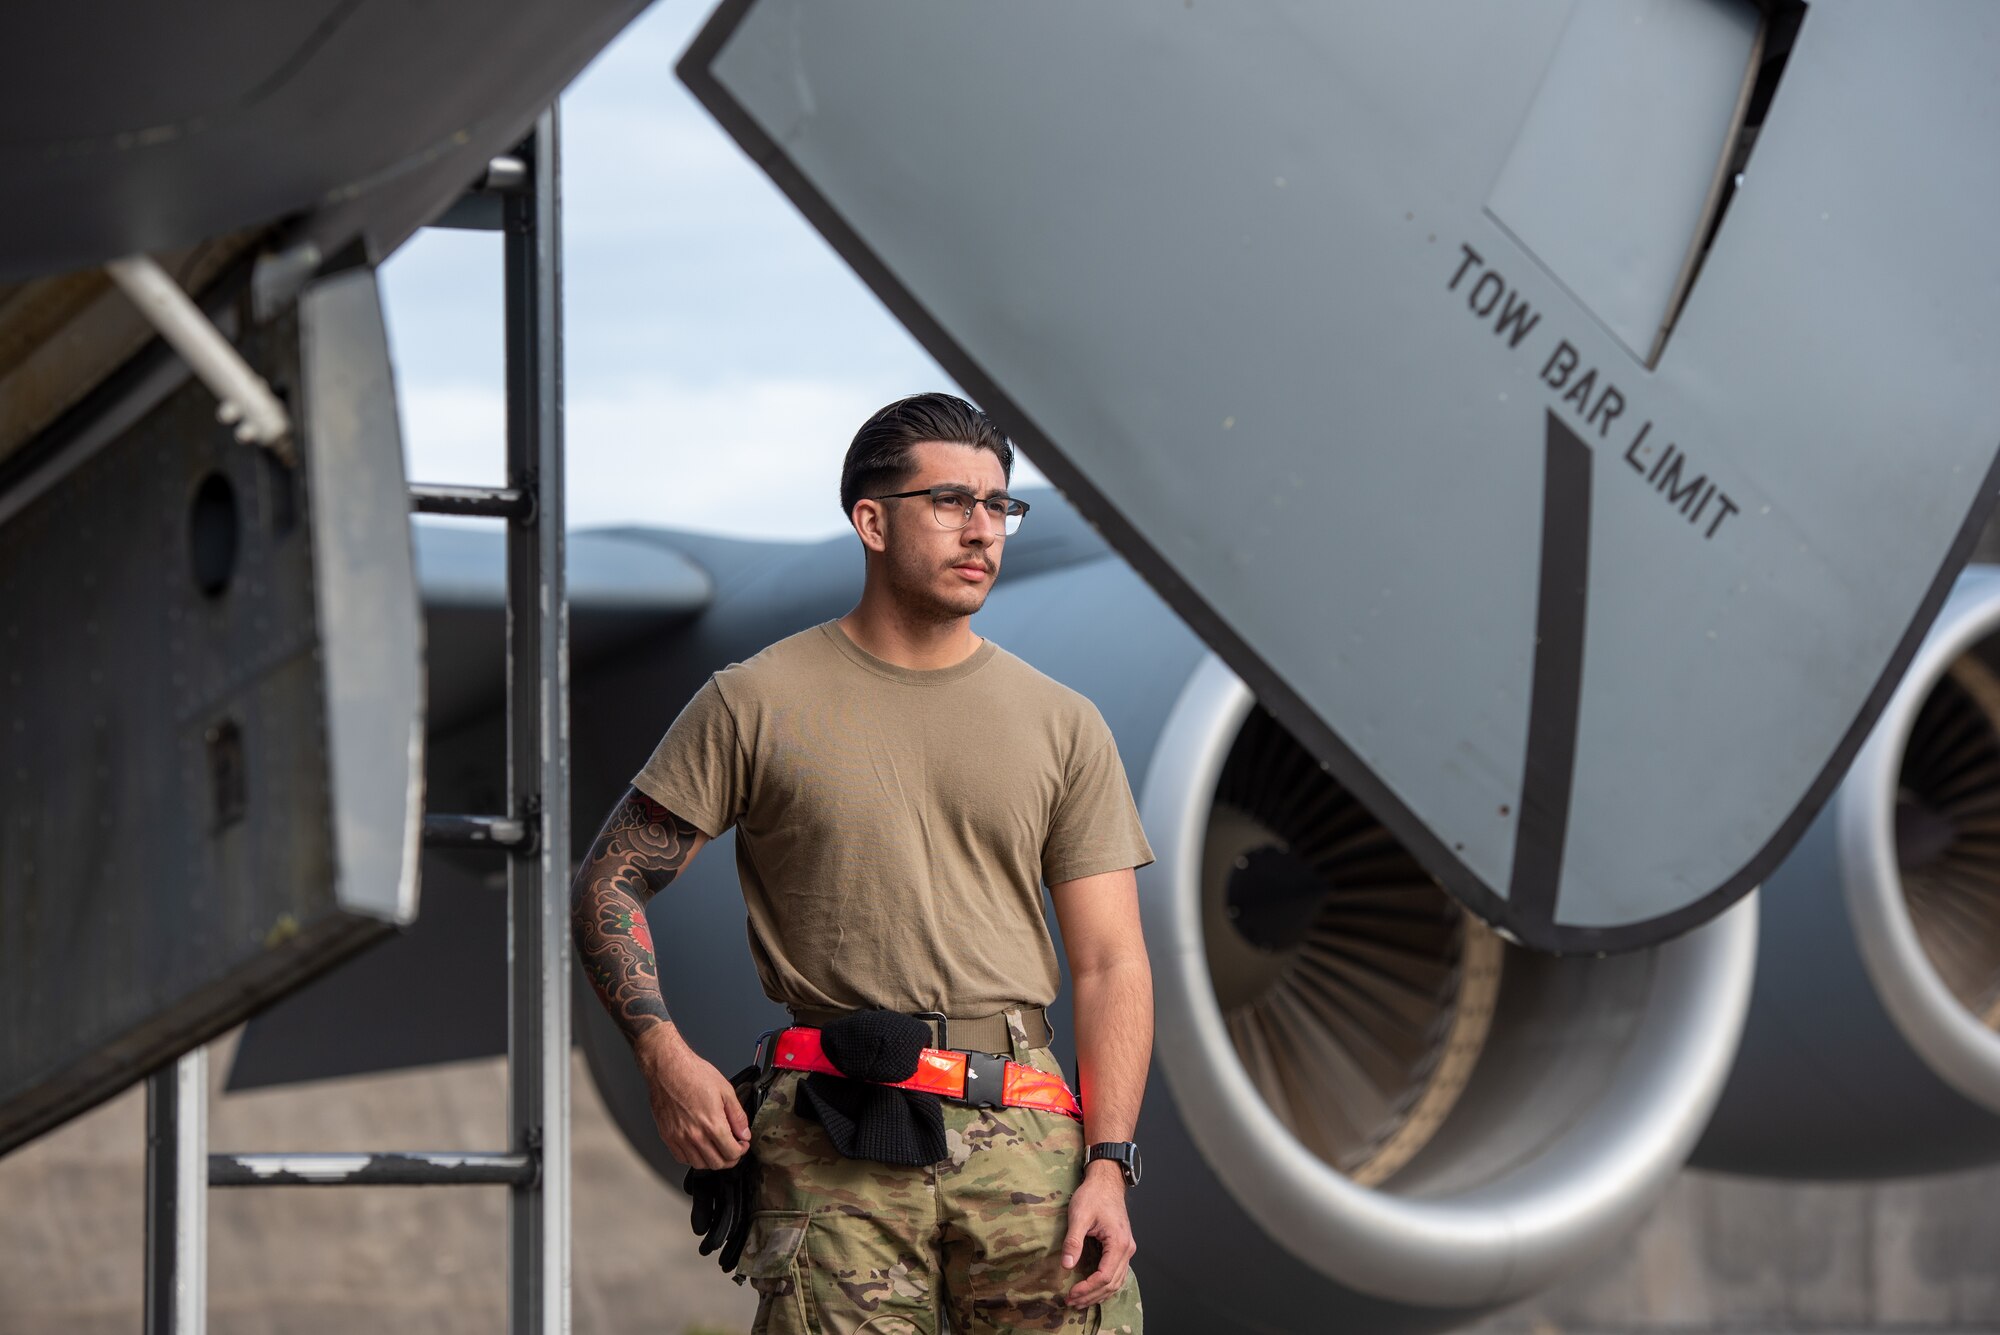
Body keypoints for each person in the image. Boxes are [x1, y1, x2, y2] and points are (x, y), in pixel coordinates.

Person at [570, 392, 1151, 1333]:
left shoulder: (1064, 723)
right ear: (871, 521)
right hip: (833, 1149)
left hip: (1031, 1151)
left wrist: (1109, 1163)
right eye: (951, 502)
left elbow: (1112, 961)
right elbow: (610, 876)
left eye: (999, 506)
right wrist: (661, 1052)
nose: (983, 531)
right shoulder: (752, 702)